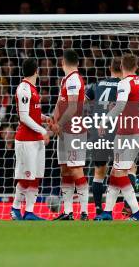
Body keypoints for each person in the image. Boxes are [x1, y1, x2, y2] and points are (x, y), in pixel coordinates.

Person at [97, 53, 139, 221]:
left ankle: (137, 213)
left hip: (127, 134)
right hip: (132, 132)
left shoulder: (125, 83)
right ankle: (108, 212)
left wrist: (105, 121)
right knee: (115, 172)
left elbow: (121, 106)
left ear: (122, 67)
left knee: (120, 173)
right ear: (136, 67)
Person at [85, 56, 132, 219]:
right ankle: (128, 207)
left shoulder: (97, 84)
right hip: (116, 131)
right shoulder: (123, 85)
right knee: (128, 168)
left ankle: (98, 211)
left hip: (98, 132)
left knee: (99, 172)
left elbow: (82, 101)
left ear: (110, 69)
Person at [10, 58, 51, 221]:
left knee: (36, 177)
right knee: (25, 177)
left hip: (36, 140)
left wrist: (44, 118)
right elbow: (24, 117)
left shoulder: (32, 89)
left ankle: (29, 212)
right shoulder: (24, 89)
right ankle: (14, 209)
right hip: (26, 141)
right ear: (36, 71)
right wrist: (43, 131)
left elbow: (32, 114)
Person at [51, 49, 89, 220]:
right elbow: (61, 103)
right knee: (65, 169)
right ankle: (67, 212)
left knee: (76, 169)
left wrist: (58, 123)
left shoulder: (74, 79)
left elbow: (73, 107)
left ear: (62, 62)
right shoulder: (66, 80)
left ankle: (84, 212)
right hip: (64, 131)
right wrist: (53, 120)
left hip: (74, 129)